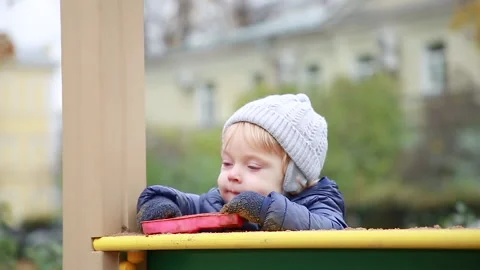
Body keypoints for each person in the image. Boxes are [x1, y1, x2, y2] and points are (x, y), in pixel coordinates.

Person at [136, 93, 348, 231]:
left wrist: (265, 210)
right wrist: (161, 204)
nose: (233, 174)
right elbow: (190, 204)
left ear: (294, 178)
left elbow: (333, 229)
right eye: (227, 163)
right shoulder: (219, 204)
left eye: (253, 166)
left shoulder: (319, 204)